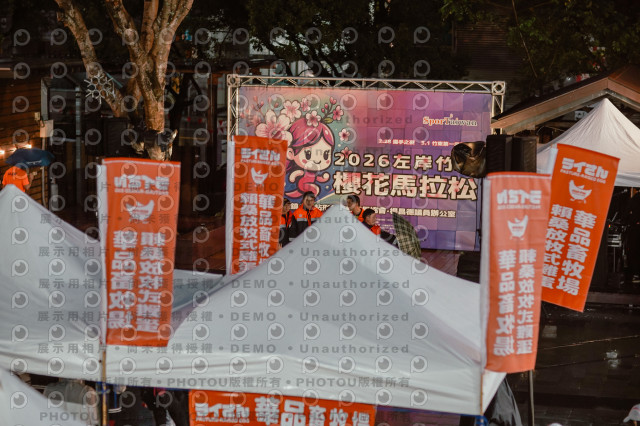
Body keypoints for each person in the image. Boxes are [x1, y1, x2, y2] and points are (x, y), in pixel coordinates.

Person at [285, 118, 335, 199]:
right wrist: (293, 176)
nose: (317, 160)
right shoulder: (296, 172)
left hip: (306, 188)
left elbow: (318, 178)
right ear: (290, 153)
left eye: (326, 155)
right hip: (302, 185)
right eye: (308, 154)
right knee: (314, 190)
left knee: (314, 190)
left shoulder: (314, 173)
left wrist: (323, 178)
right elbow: (297, 174)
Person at [624, 188, 640, 282]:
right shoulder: (635, 198)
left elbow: (626, 212)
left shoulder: (635, 198)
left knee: (633, 250)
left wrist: (628, 220)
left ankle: (635, 273)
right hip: (635, 226)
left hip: (635, 227)